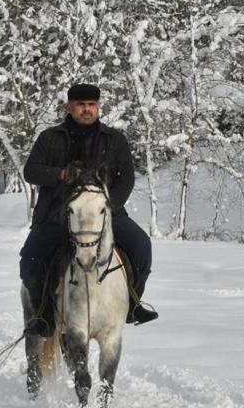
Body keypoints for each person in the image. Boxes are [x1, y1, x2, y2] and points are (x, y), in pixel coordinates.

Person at [19, 83, 158, 337]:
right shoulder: (50, 138)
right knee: (30, 260)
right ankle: (43, 315)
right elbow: (31, 171)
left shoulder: (115, 140)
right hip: (56, 215)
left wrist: (107, 207)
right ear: (69, 108)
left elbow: (126, 179)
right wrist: (60, 173)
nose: (87, 110)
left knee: (142, 246)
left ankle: (133, 303)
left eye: (92, 105)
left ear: (98, 107)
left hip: (105, 215)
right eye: (81, 105)